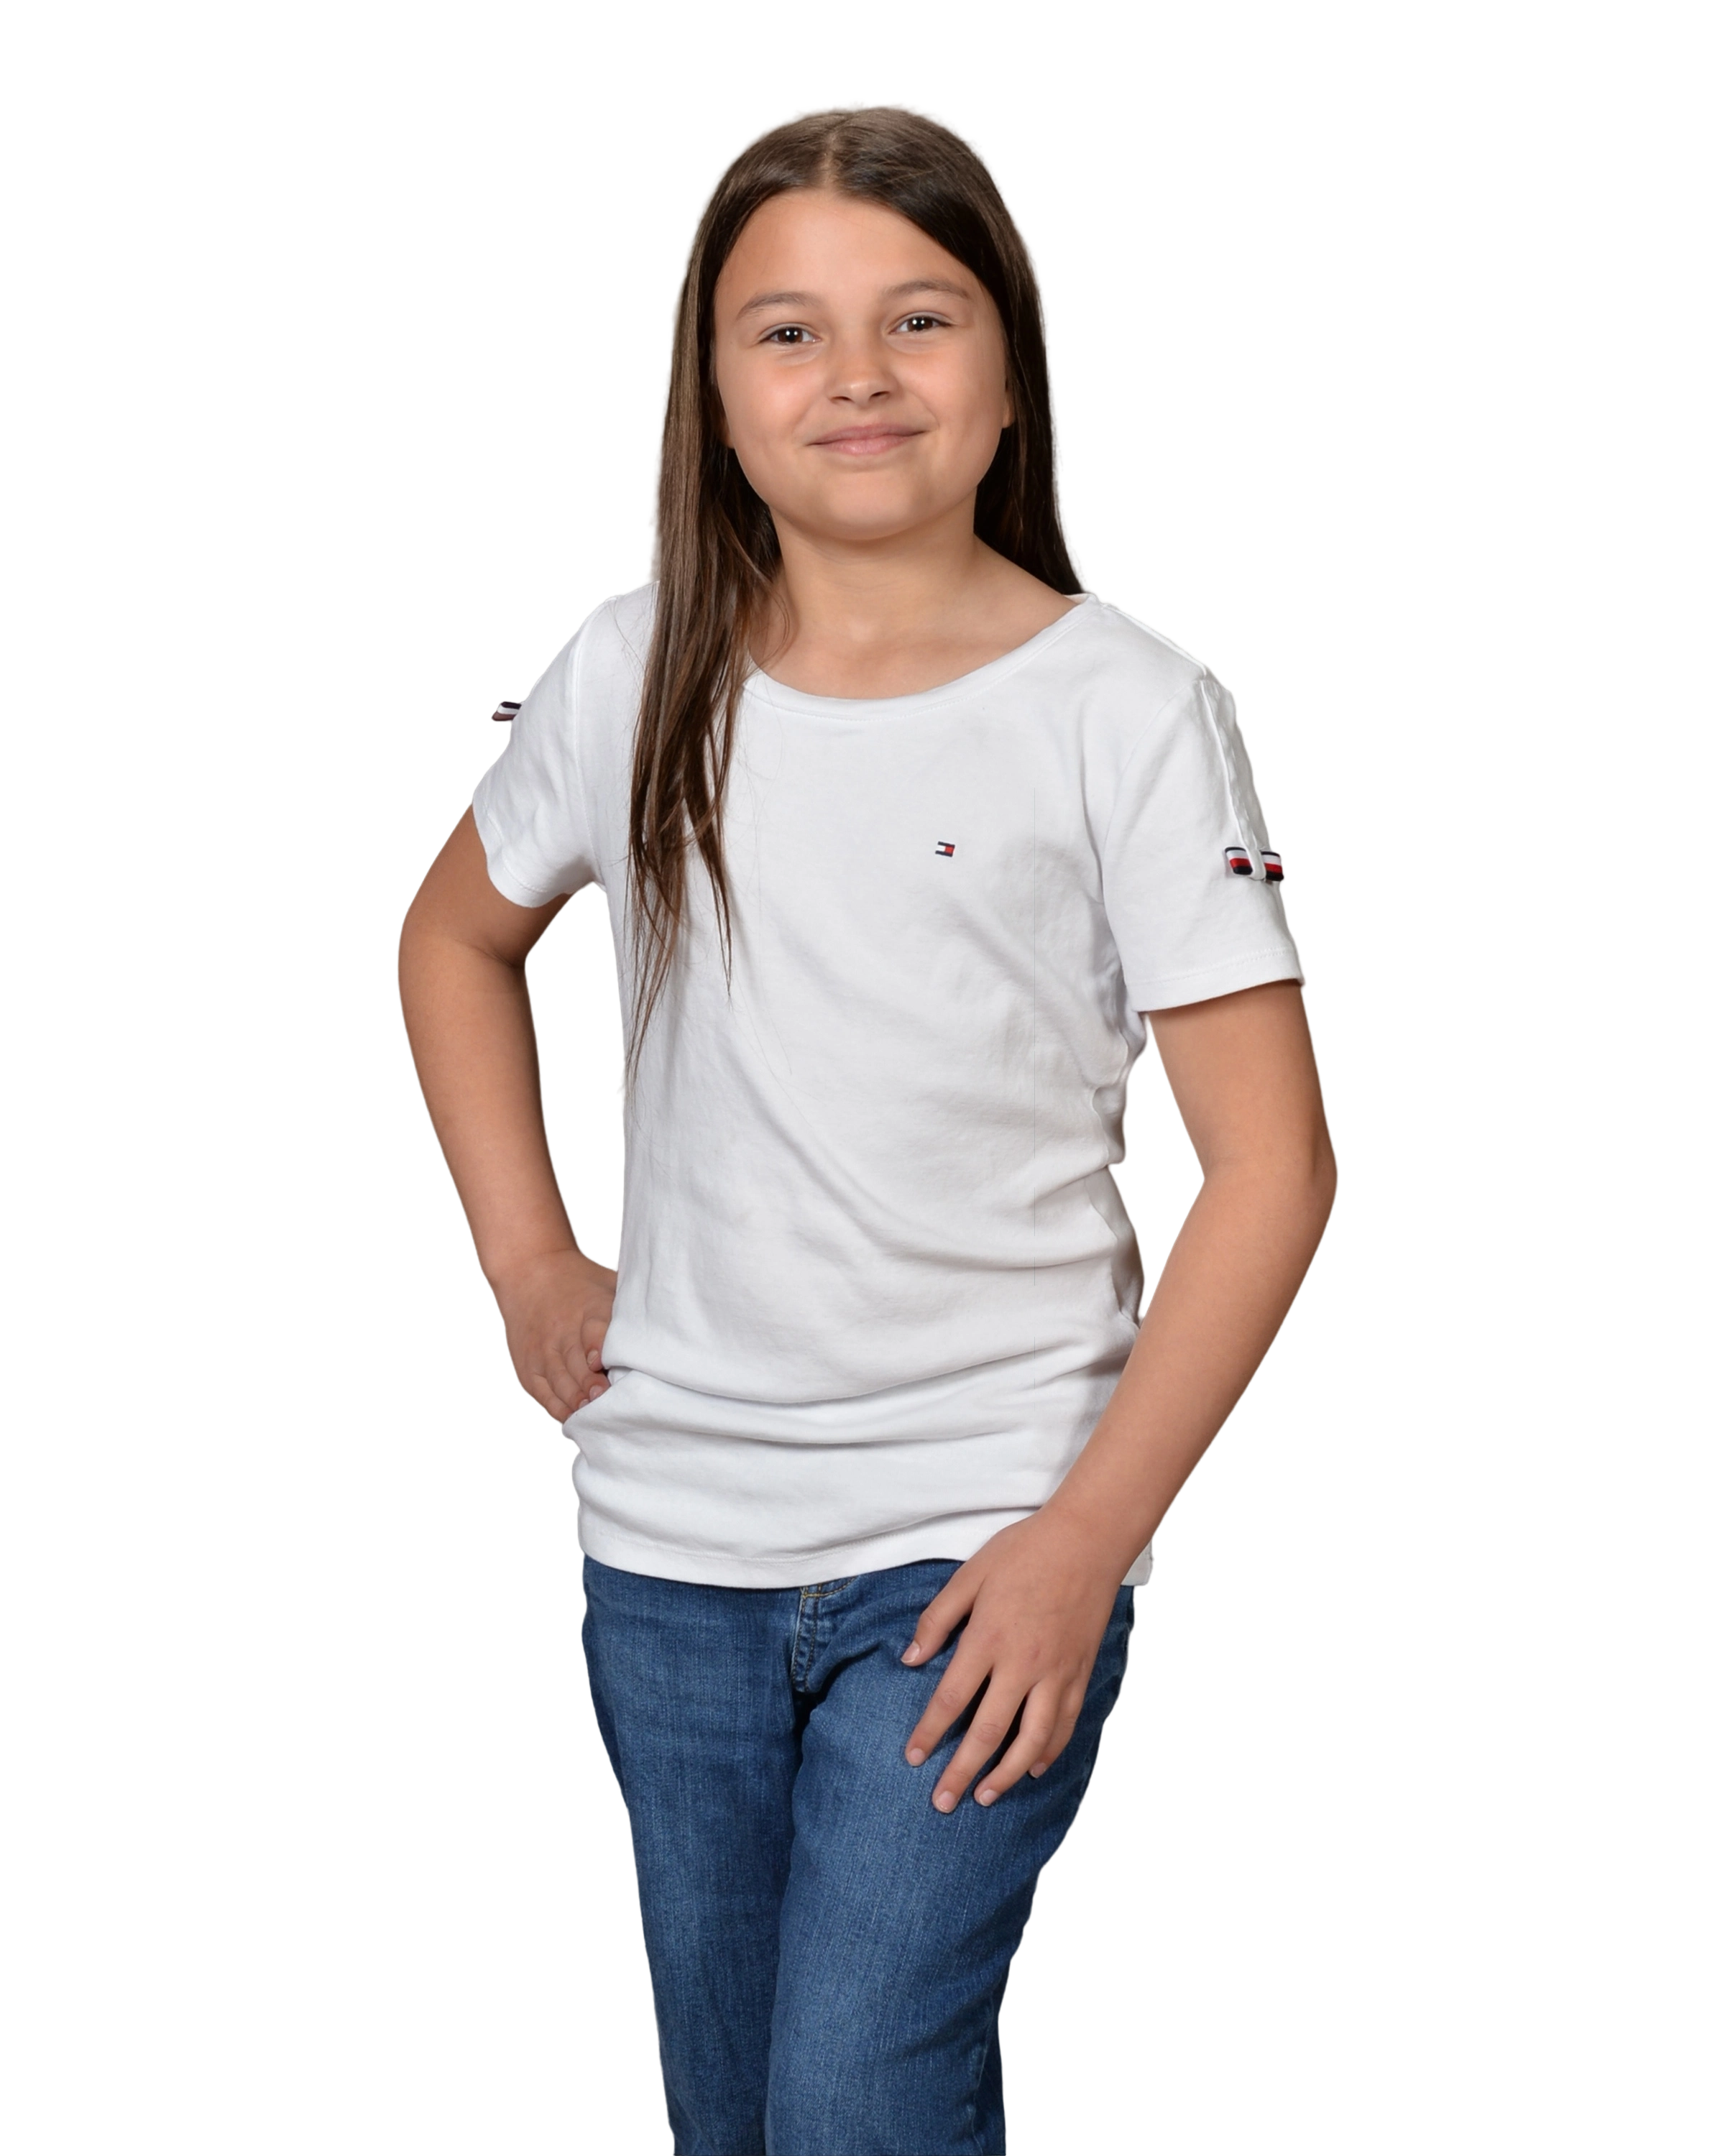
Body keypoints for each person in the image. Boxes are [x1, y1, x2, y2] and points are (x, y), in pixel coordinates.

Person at [395, 96, 1338, 2156]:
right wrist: (530, 1260)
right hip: (672, 1545)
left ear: (1009, 366)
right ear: (715, 395)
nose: (858, 376)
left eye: (918, 317)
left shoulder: (1127, 712)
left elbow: (1272, 1168)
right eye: (789, 330)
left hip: (983, 1537)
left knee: (854, 2108)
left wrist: (1084, 1541)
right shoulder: (630, 668)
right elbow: (453, 944)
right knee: (736, 2117)